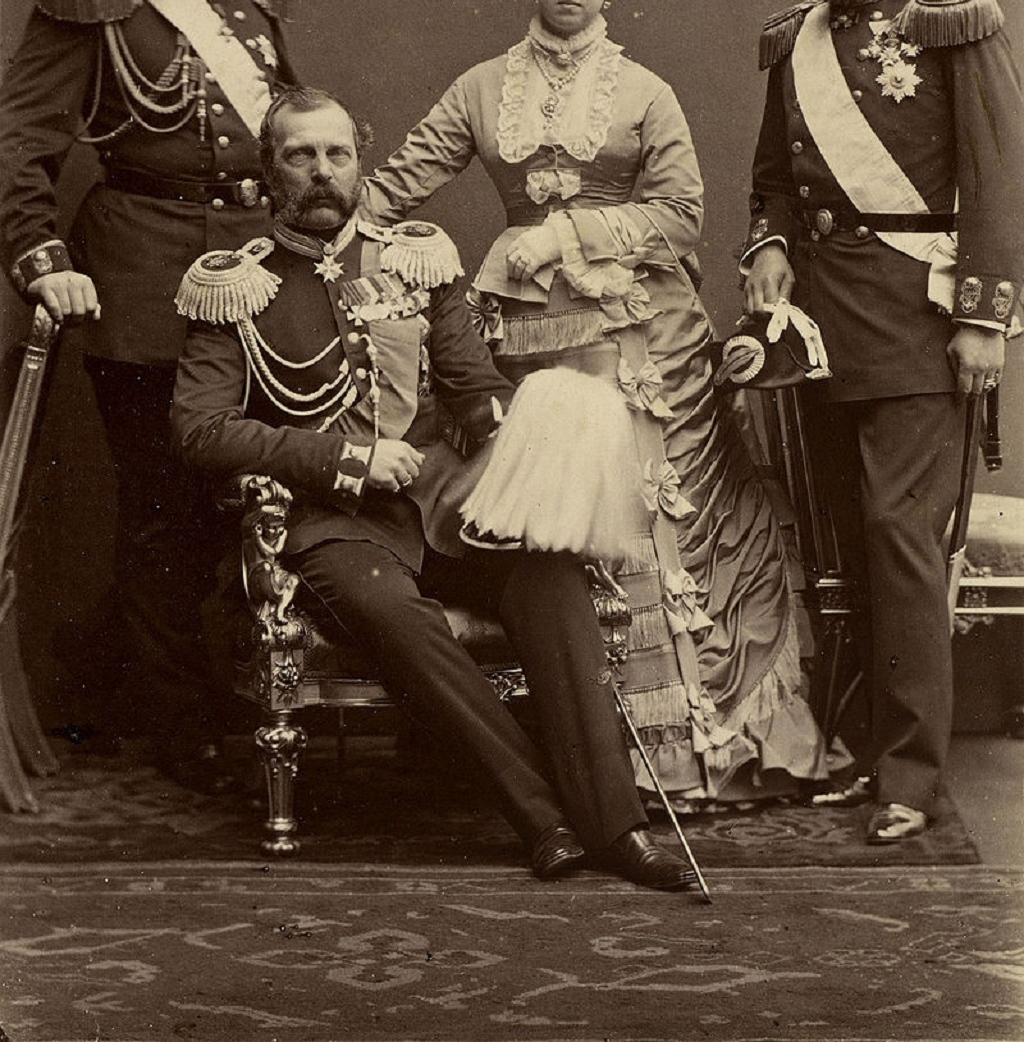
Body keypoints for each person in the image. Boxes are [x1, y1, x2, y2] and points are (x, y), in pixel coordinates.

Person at [361, 0, 831, 808]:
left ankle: (671, 759)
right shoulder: (481, 88)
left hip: (638, 334)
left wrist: (569, 234)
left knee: (643, 518)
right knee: (540, 530)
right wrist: (343, 246)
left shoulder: (645, 92)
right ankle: (570, 746)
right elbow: (393, 184)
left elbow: (682, 215)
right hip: (521, 340)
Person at [170, 84, 699, 891]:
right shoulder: (234, 284)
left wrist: (530, 421)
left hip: (447, 504)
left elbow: (471, 387)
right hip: (330, 521)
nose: (322, 170)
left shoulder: (418, 258)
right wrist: (345, 458)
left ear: (361, 161)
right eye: (301, 155)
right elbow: (202, 430)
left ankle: (617, 828)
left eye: (338, 153)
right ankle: (543, 819)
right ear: (271, 169)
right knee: (393, 610)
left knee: (551, 576)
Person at [0, 0, 299, 790]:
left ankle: (121, 672)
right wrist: (42, 255)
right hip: (140, 278)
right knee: (165, 500)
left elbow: (287, 133)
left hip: (253, 276)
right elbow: (21, 141)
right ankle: (179, 720)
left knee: (233, 499)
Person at [741, 0, 1023, 842]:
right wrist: (770, 248)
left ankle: (910, 775)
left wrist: (983, 319)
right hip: (821, 332)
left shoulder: (954, 21)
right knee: (846, 547)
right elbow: (773, 180)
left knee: (900, 543)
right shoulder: (795, 41)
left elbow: (998, 178)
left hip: (917, 324)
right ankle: (862, 751)